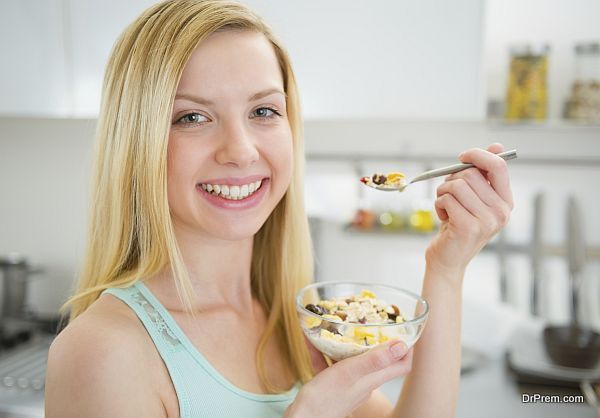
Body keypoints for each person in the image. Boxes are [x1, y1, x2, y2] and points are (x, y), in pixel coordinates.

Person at [44, 1, 514, 417]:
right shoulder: (102, 353)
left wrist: (447, 268)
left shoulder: (300, 324)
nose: (241, 150)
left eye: (264, 111)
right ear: (137, 143)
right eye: (192, 117)